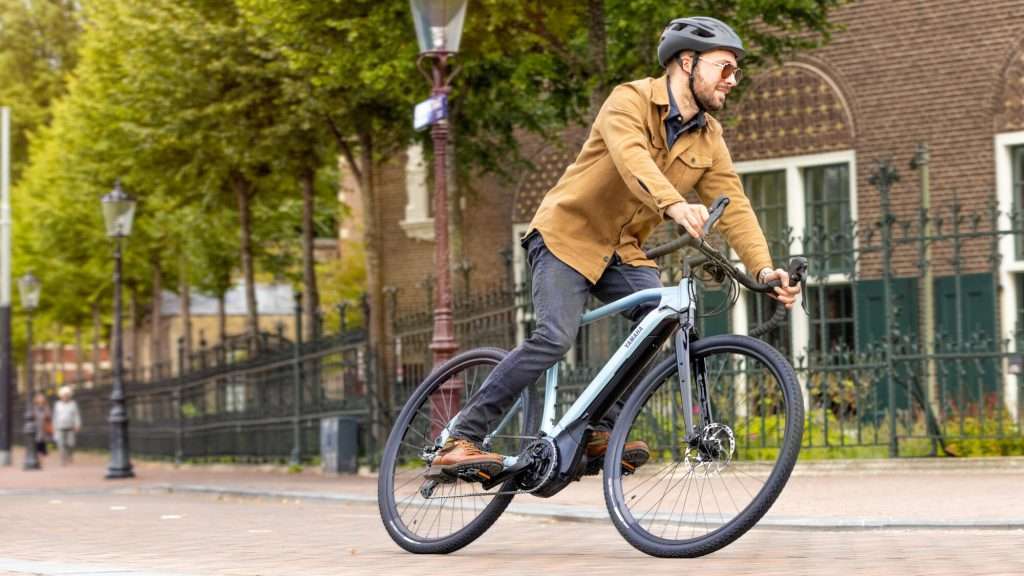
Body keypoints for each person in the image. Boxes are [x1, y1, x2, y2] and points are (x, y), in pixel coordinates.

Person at [432, 16, 802, 478]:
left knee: (662, 321)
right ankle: (462, 436)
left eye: (736, 72)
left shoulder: (710, 137)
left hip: (622, 250)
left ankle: (598, 432)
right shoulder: (628, 100)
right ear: (687, 63)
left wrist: (763, 270)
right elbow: (632, 160)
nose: (732, 79)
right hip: (566, 235)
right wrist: (674, 204)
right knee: (555, 337)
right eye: (724, 68)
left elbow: (735, 206)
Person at [53, 385, 82, 465]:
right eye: (64, 395)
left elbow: (76, 415)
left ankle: (70, 455)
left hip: (70, 427)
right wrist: (54, 427)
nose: (65, 397)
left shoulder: (73, 404)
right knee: (61, 444)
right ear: (61, 396)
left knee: (71, 443)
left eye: (67, 395)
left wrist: (77, 424)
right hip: (60, 427)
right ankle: (63, 459)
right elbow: (55, 416)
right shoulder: (57, 404)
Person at [32, 392, 52, 460]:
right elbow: (32, 416)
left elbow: (49, 416)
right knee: (37, 441)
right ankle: (39, 455)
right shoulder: (34, 407)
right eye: (39, 399)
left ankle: (43, 455)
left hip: (44, 427)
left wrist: (47, 415)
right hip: (37, 427)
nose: (40, 400)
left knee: (43, 441)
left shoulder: (46, 407)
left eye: (42, 399)